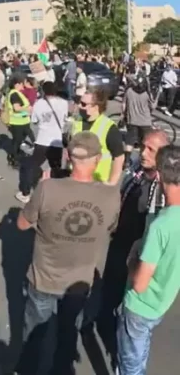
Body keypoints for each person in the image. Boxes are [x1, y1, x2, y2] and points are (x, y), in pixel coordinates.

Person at [16, 131, 120, 375]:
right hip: (79, 282)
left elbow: (22, 224)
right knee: (67, 334)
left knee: (34, 334)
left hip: (43, 278)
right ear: (99, 159)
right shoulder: (111, 196)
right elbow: (111, 227)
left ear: (68, 157)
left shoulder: (47, 188)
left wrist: (37, 195)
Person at [96, 130, 169, 365]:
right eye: (143, 146)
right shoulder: (136, 170)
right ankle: (105, 326)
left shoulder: (165, 187)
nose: (143, 153)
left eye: (151, 150)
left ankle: (121, 354)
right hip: (119, 244)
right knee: (109, 295)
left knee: (129, 310)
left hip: (139, 254)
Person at [117, 145, 180, 375]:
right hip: (162, 302)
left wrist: (132, 258)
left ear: (160, 176)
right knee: (140, 352)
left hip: (139, 306)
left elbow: (140, 284)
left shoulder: (160, 227)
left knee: (130, 365)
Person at [16, 82, 69, 203]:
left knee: (32, 166)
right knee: (56, 168)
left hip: (42, 139)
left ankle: (26, 192)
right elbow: (65, 119)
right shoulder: (63, 103)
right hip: (57, 141)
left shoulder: (39, 103)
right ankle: (56, 196)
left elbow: (34, 120)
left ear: (44, 91)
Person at [70, 88, 125, 185]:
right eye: (79, 102)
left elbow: (119, 158)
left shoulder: (109, 127)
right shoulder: (77, 122)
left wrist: (111, 184)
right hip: (75, 180)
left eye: (83, 104)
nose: (79, 106)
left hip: (97, 183)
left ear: (95, 107)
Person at [4, 74, 34, 168]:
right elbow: (16, 108)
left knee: (19, 140)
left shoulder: (18, 93)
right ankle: (14, 159)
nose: (23, 85)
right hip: (17, 122)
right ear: (17, 84)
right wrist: (27, 109)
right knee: (17, 142)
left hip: (23, 121)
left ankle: (15, 155)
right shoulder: (14, 94)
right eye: (22, 84)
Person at [123, 75, 155, 158]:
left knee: (129, 141)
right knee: (144, 142)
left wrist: (123, 115)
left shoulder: (129, 91)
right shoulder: (147, 93)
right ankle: (141, 160)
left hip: (132, 120)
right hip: (145, 122)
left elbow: (124, 105)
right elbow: (153, 107)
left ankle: (126, 161)